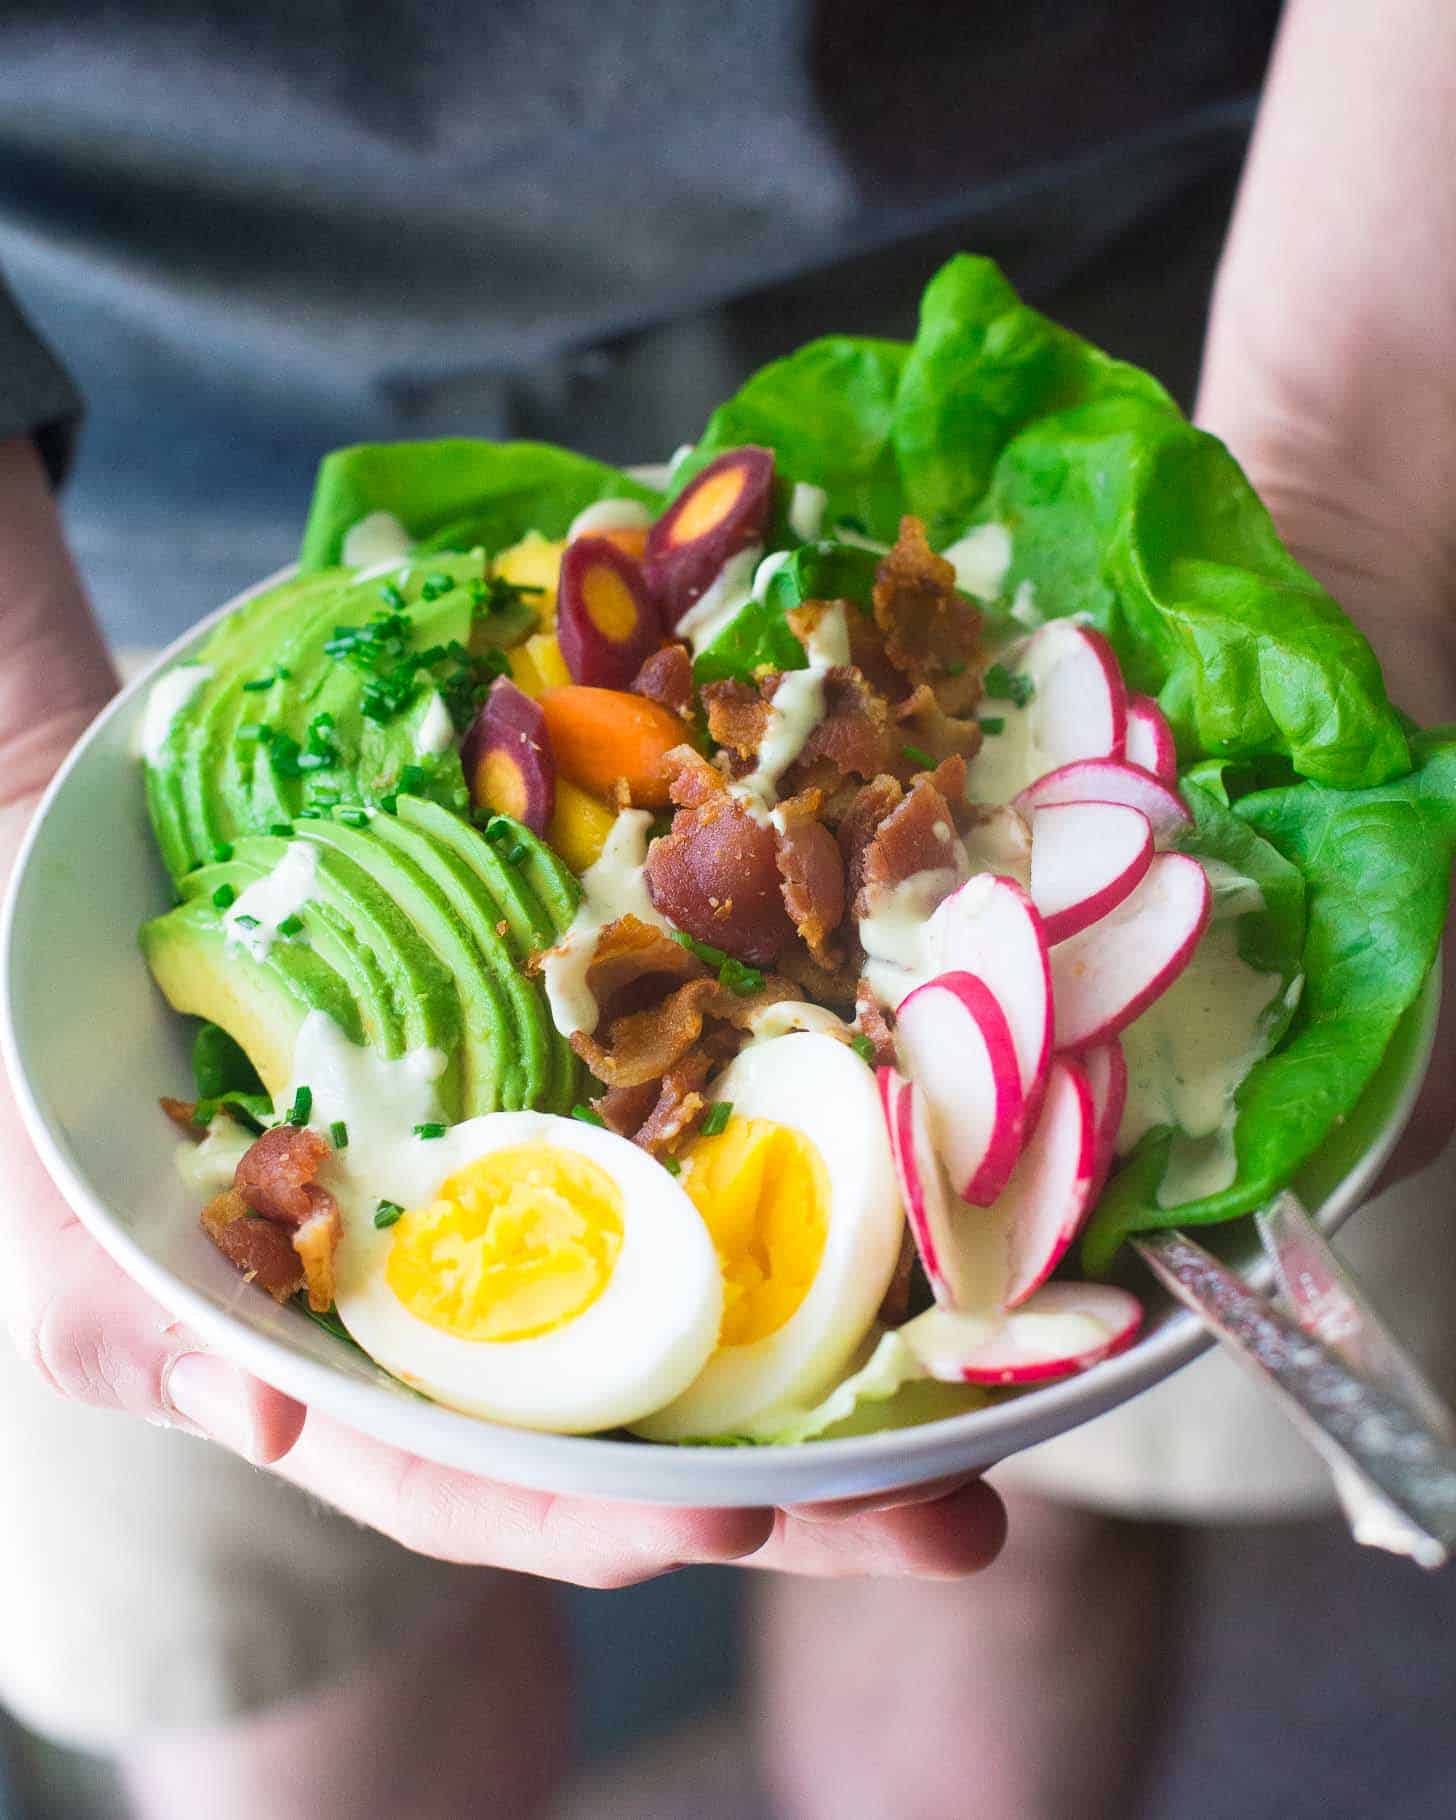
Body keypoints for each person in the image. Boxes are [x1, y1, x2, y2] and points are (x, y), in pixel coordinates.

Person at [1, 4, 1452, 1817]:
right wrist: (10, 749)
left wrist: (1350, 508)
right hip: (142, 568)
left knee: (1027, 1520)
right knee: (264, 1643)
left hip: (1253, 333)